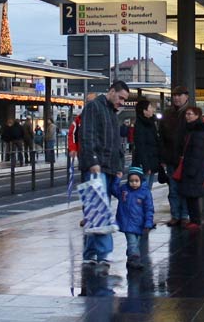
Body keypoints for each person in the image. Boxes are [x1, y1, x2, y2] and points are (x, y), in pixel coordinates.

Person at [78, 80, 129, 270]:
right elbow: (87, 135)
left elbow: (115, 142)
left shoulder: (110, 111)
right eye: (120, 97)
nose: (122, 102)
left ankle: (90, 253)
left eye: (124, 100)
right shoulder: (94, 107)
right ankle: (104, 253)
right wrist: (93, 161)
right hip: (97, 166)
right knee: (99, 210)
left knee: (95, 211)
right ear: (111, 91)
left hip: (106, 167)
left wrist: (118, 165)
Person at [110, 166, 153, 269]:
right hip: (127, 223)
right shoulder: (124, 190)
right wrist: (117, 179)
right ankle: (135, 260)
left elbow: (149, 209)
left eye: (136, 181)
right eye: (131, 181)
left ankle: (131, 257)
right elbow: (114, 190)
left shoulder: (145, 192)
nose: (134, 183)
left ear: (141, 180)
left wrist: (148, 223)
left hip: (139, 223)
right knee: (132, 242)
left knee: (135, 243)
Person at [159, 85, 191, 226]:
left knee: (185, 188)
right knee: (173, 188)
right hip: (171, 157)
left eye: (179, 95)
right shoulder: (167, 114)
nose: (176, 98)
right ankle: (175, 214)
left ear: (186, 96)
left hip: (186, 158)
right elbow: (161, 136)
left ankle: (184, 215)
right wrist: (163, 157)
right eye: (174, 95)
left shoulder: (190, 113)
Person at [178, 106, 204, 229]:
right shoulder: (193, 130)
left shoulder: (197, 132)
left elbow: (197, 153)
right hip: (193, 167)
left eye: (190, 114)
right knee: (190, 195)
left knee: (192, 196)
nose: (187, 116)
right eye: (186, 114)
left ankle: (195, 220)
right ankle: (194, 220)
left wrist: (191, 170)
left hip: (193, 169)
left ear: (197, 116)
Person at [131, 100, 160, 190]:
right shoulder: (140, 125)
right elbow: (140, 146)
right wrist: (145, 165)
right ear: (144, 111)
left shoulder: (151, 123)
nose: (152, 109)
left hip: (152, 161)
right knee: (143, 189)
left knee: (147, 189)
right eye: (150, 107)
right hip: (145, 163)